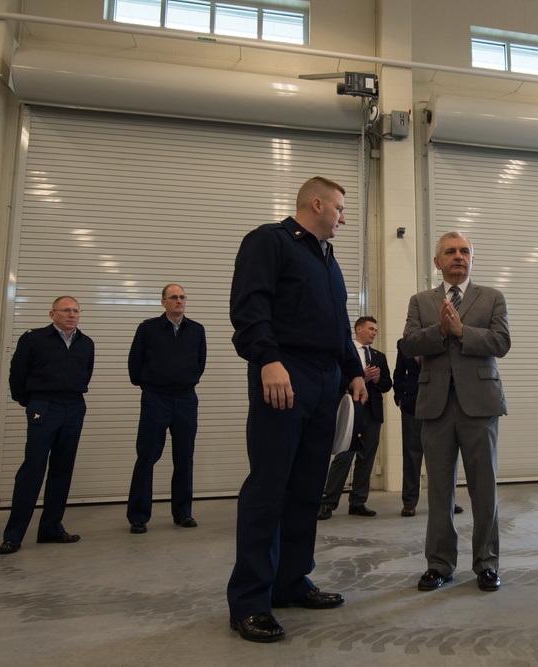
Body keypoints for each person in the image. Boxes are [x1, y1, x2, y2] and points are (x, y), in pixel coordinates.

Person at [226, 176, 367, 643]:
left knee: (307, 487)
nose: (344, 218)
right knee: (269, 486)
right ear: (318, 202)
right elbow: (250, 307)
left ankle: (290, 582)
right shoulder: (270, 241)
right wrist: (267, 359)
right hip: (285, 373)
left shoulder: (328, 260)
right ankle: (249, 601)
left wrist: (352, 371)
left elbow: (339, 324)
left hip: (325, 379)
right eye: (341, 209)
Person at [402, 231, 510, 593]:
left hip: (479, 403)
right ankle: (440, 564)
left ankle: (487, 564)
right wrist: (440, 330)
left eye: (465, 251)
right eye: (450, 252)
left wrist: (463, 331)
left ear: (472, 260)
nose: (458, 256)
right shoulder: (421, 301)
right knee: (439, 490)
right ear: (438, 262)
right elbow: (409, 345)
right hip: (435, 405)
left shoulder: (492, 297)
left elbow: (501, 342)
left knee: (484, 488)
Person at [0, 296, 94, 555]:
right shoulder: (34, 339)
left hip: (73, 406)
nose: (72, 315)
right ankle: (14, 535)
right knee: (33, 468)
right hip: (44, 405)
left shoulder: (86, 343)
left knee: (62, 469)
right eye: (66, 310)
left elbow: (86, 373)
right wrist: (29, 403)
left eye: (76, 310)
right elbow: (17, 374)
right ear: (52, 314)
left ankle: (51, 528)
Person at [126, 283, 208, 534]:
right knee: (147, 456)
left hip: (185, 398)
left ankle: (183, 513)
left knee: (184, 457)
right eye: (173, 297)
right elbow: (134, 363)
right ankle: (139, 516)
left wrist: (187, 379)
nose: (179, 301)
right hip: (156, 398)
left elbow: (200, 362)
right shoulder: (148, 329)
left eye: (182, 297)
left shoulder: (196, 330)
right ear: (163, 302)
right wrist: (151, 384)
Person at [318, 316, 392, 519]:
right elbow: (335, 378)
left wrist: (376, 380)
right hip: (350, 410)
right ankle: (328, 502)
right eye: (371, 329)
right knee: (344, 456)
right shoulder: (344, 353)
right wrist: (359, 378)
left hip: (372, 413)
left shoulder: (379, 356)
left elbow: (387, 384)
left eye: (376, 330)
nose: (374, 333)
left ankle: (358, 502)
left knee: (366, 458)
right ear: (358, 329)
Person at [392, 338, 465, 518]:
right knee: (411, 454)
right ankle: (409, 502)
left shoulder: (439, 341)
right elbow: (399, 372)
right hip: (412, 405)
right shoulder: (404, 344)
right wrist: (399, 397)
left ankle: (447, 499)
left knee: (443, 455)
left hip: (438, 402)